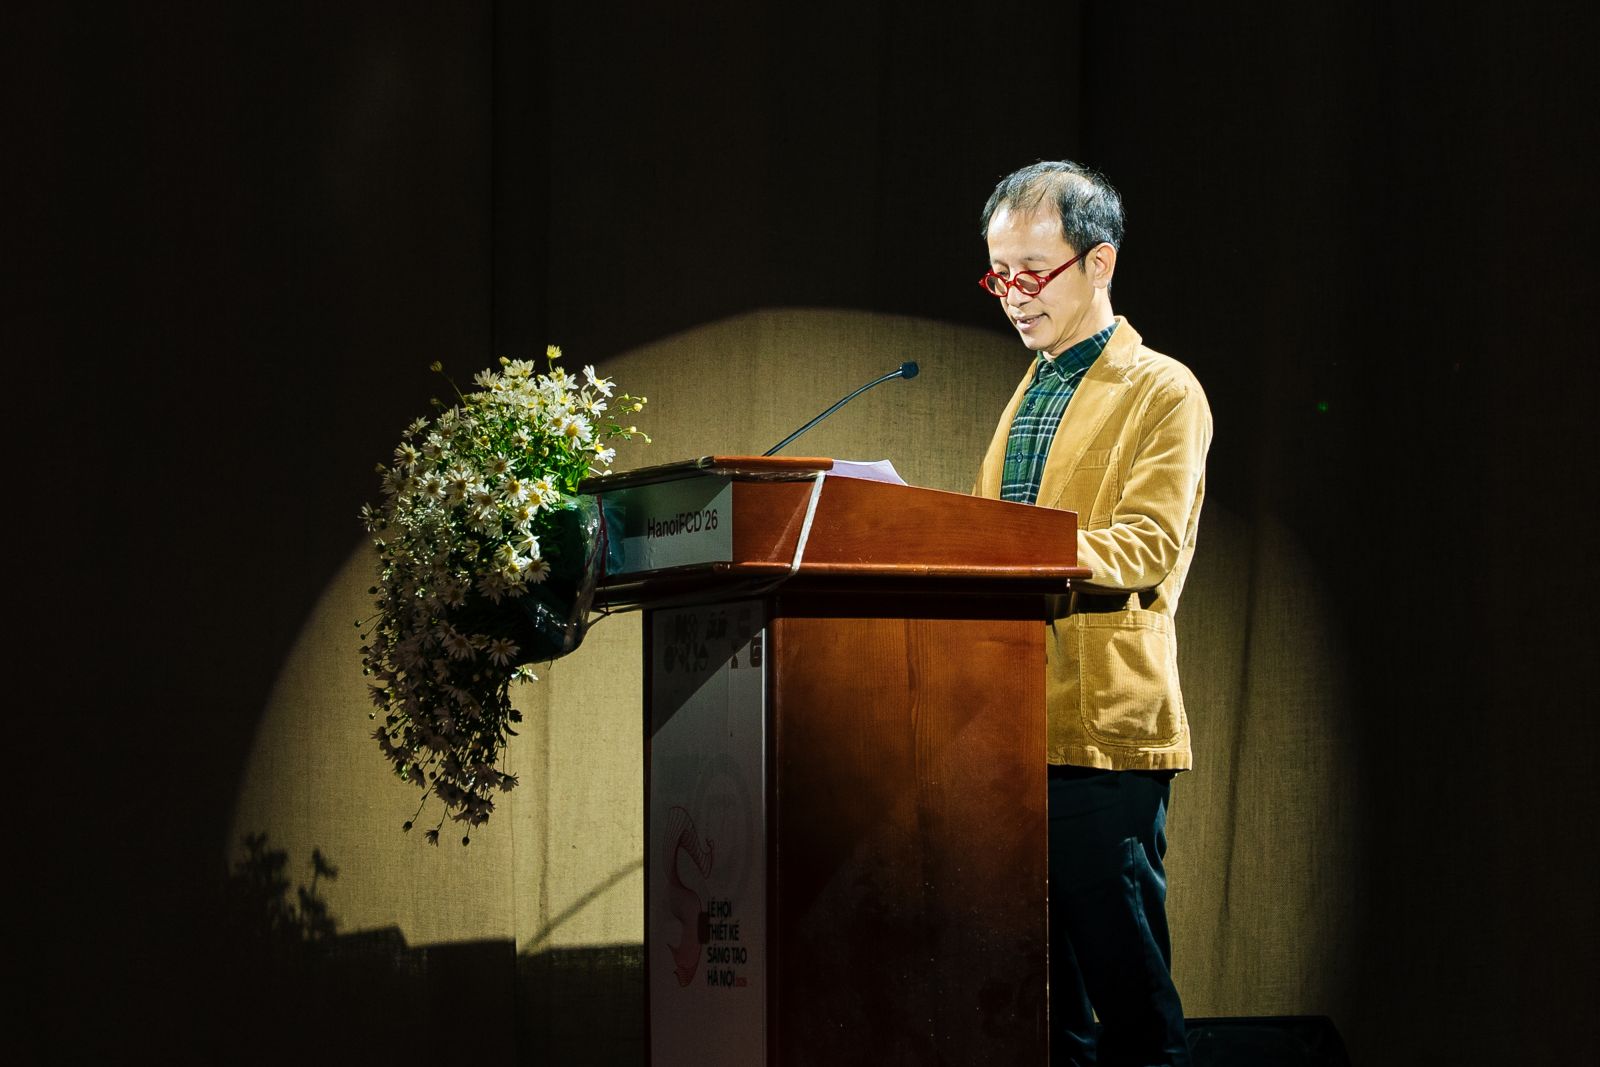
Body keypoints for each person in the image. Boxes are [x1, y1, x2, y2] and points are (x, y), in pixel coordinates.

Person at [973, 160, 1212, 1067]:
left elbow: (1148, 544)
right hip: (1008, 728)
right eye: (1000, 274)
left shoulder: (1162, 389)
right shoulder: (1032, 387)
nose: (1014, 295)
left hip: (1102, 734)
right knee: (1044, 1014)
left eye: (1033, 272)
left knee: (1131, 1004)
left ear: (1099, 262)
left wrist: (1011, 552)